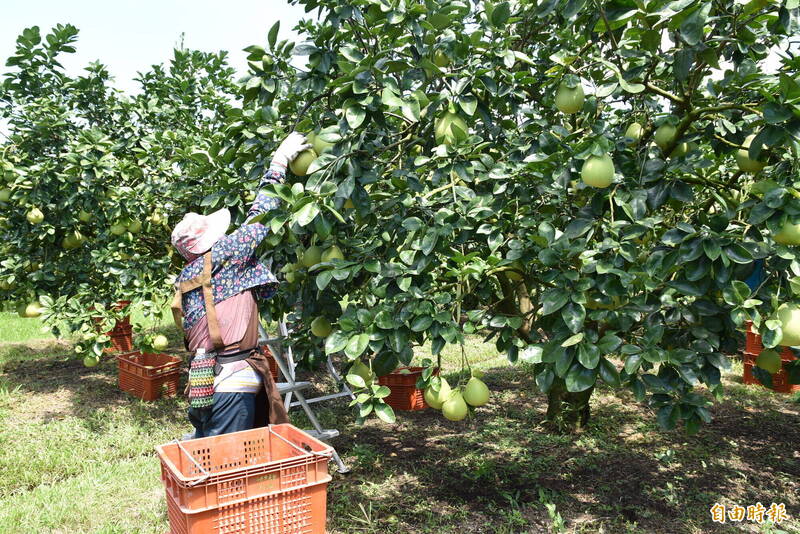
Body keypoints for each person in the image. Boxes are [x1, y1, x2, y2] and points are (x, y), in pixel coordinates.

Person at [170, 132, 311, 439]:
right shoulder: (226, 255)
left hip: (203, 379)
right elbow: (262, 214)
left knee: (210, 447)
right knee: (229, 462)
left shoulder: (187, 276)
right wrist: (280, 160)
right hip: (232, 379)